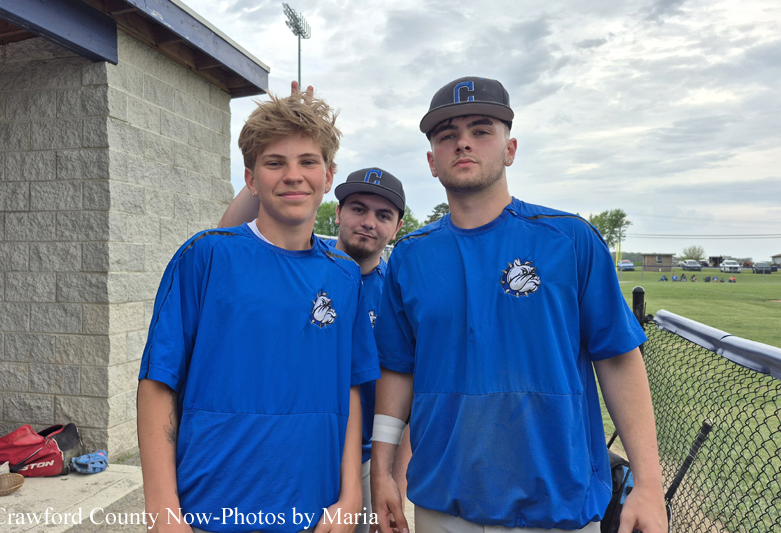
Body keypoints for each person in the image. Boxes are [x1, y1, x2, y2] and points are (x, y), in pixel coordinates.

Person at [371, 76, 667, 533]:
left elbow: (618, 358)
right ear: (432, 161)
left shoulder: (570, 239)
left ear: (509, 149)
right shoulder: (410, 256)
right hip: (443, 503)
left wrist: (649, 484)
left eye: (481, 129)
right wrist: (384, 471)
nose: (463, 143)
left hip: (557, 504)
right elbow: (398, 369)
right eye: (447, 135)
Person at [137, 90, 379, 533]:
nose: (293, 176)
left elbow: (350, 389)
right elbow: (158, 383)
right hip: (212, 508)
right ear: (251, 178)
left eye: (308, 162)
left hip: (314, 508)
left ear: (328, 176)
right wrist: (163, 512)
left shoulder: (344, 277)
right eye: (274, 163)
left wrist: (349, 496)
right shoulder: (205, 255)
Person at [219, 161, 414, 533]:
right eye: (358, 208)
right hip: (296, 446)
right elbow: (228, 237)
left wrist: (396, 479)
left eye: (383, 214)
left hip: (369, 458)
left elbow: (410, 393)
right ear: (337, 213)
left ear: (398, 226)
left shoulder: (399, 293)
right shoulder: (301, 259)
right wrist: (264, 164)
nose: (368, 222)